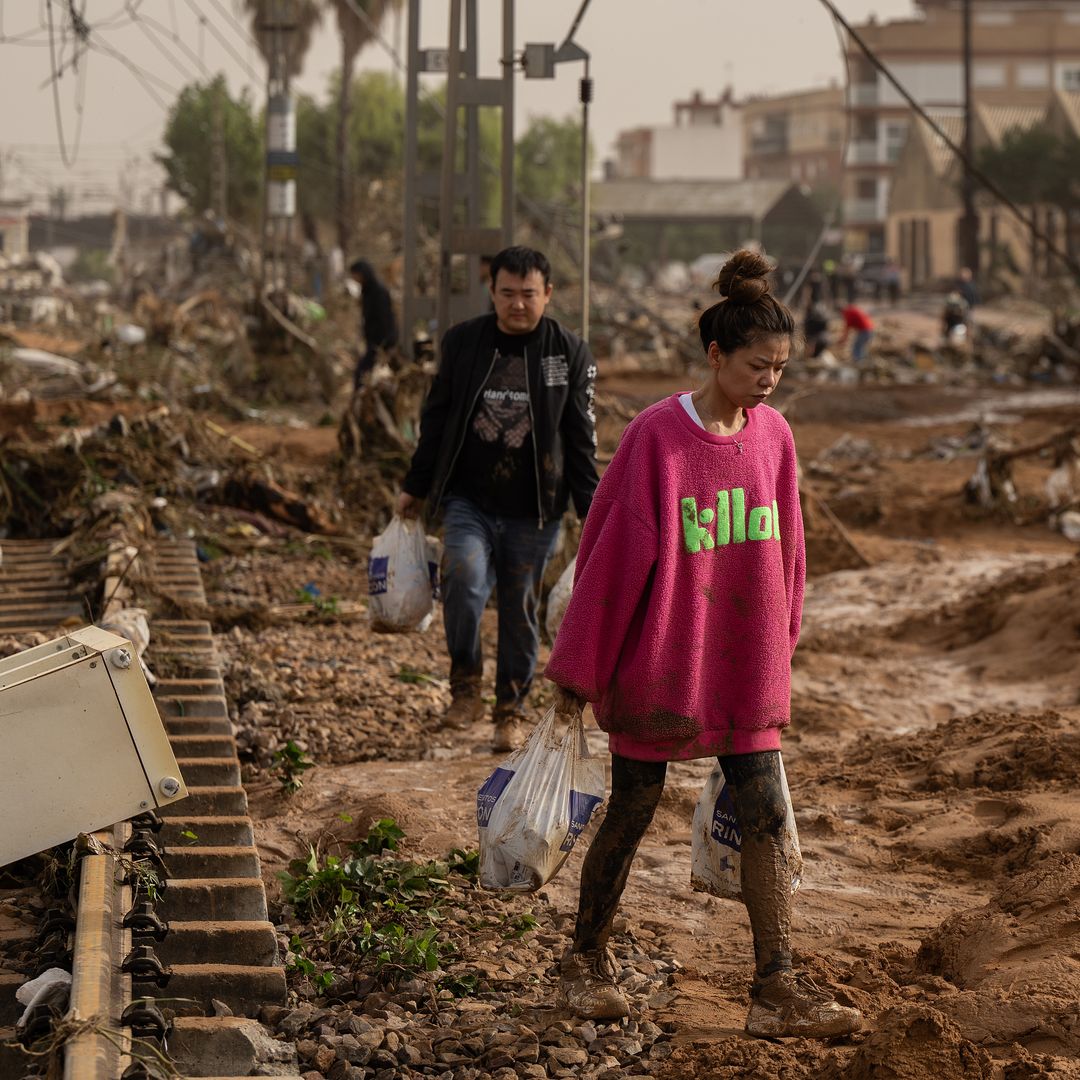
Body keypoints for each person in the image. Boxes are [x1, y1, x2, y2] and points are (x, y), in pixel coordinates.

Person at [543, 249, 863, 1040]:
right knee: (633, 807)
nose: (769, 381)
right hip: (662, 665)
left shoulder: (775, 438)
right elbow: (609, 559)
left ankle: (775, 989)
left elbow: (789, 549)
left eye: (781, 369)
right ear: (716, 355)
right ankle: (584, 962)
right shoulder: (657, 438)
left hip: (743, 667)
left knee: (767, 814)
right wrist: (578, 671)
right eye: (758, 365)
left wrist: (781, 639)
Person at [397, 246, 599, 752]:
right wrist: (416, 487)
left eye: (528, 294)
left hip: (535, 509)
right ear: (492, 292)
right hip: (470, 500)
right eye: (507, 293)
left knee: (519, 608)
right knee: (462, 578)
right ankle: (464, 684)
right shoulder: (464, 344)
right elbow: (437, 420)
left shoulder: (567, 353)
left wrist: (592, 511)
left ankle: (509, 709)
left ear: (547, 294)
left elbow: (580, 439)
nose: (517, 304)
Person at [349, 259, 399, 389]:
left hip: (381, 341)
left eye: (356, 275)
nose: (355, 279)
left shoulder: (379, 292)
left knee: (363, 372)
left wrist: (384, 343)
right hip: (373, 340)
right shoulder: (367, 291)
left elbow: (384, 318)